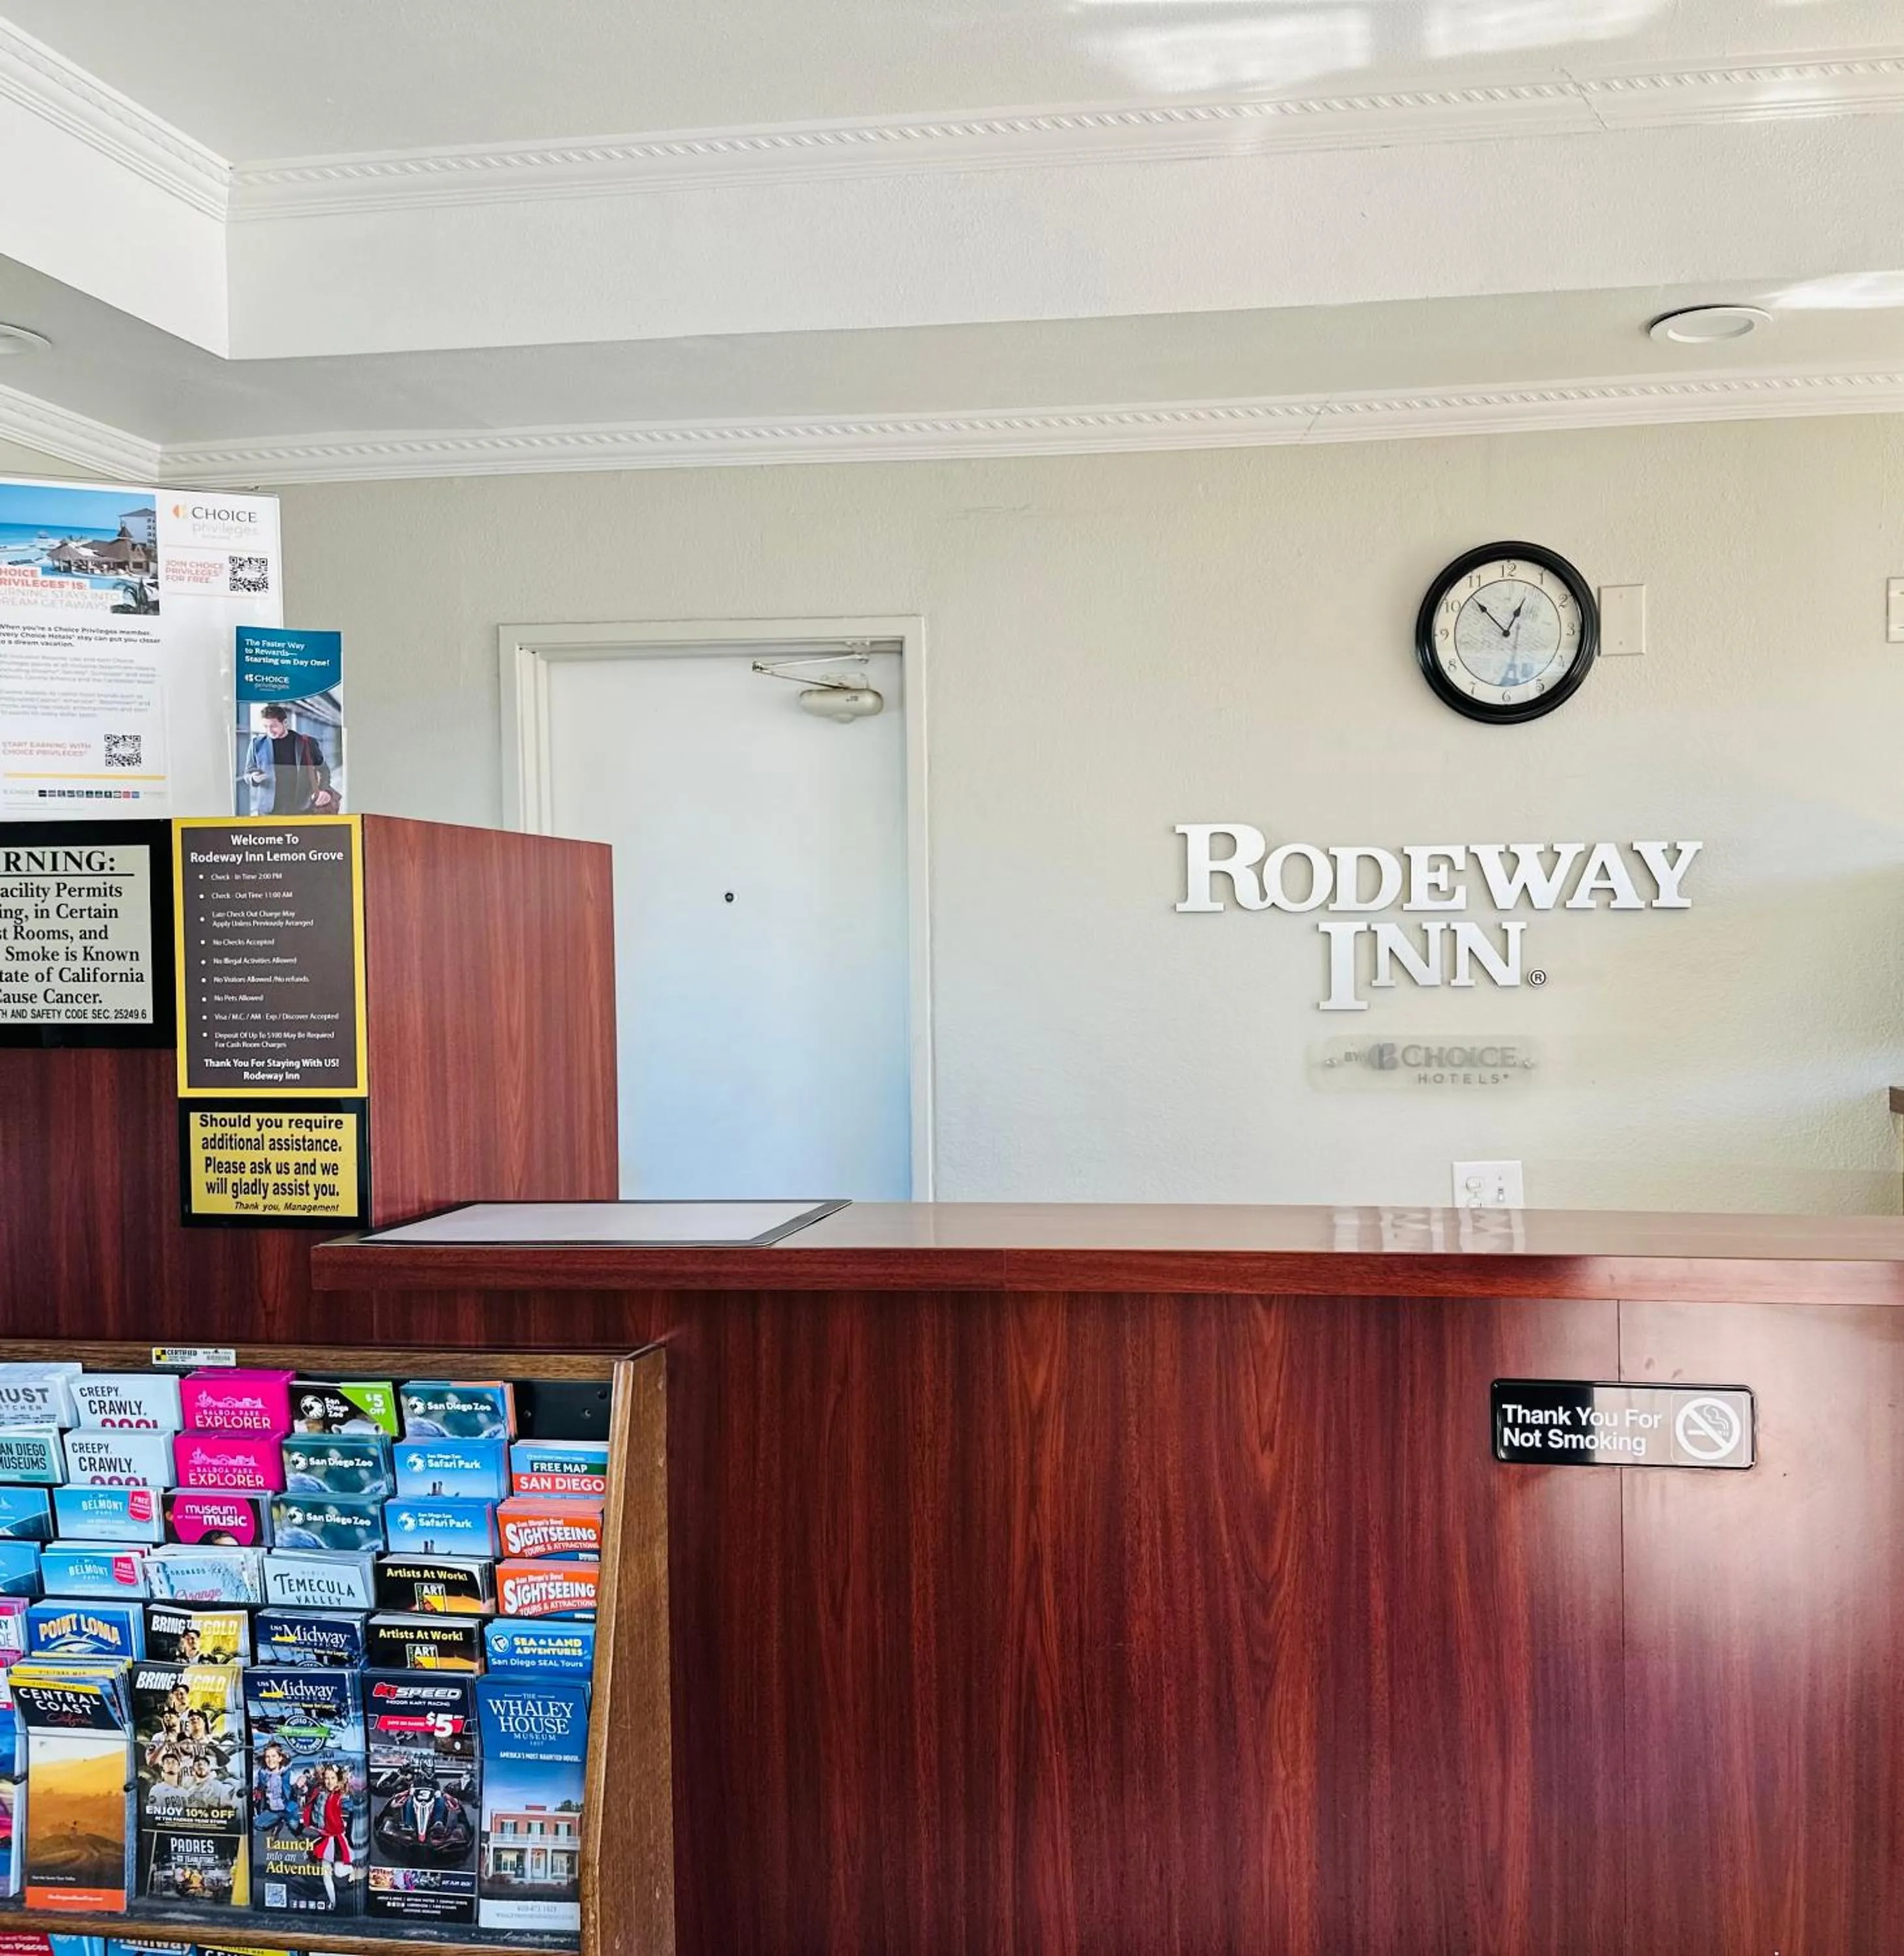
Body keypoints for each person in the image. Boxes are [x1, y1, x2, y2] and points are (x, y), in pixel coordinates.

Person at [242, 704, 337, 815]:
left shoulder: (307, 742)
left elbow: (323, 769)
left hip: (302, 808)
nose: (269, 731)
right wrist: (253, 778)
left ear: (285, 723)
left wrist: (324, 790)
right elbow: (248, 773)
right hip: (268, 810)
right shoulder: (256, 744)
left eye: (274, 726)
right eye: (265, 727)